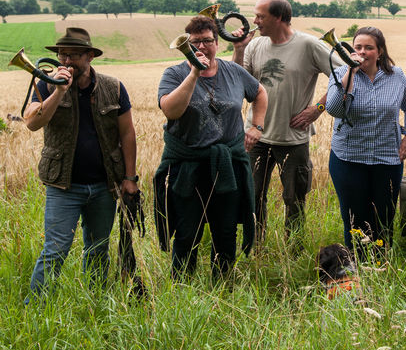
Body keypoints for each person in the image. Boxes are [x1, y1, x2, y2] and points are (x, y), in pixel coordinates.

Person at [25, 27, 138, 302]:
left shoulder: (113, 87)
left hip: (104, 186)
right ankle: (36, 307)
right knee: (55, 250)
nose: (66, 61)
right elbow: (32, 122)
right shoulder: (46, 83)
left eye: (73, 55)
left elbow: (127, 133)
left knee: (98, 248)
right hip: (63, 186)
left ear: (89, 56)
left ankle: (95, 303)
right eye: (63, 54)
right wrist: (58, 92)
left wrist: (130, 178)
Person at [155, 16, 268, 280]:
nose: (202, 47)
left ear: (217, 43)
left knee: (225, 231)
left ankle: (223, 287)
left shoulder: (234, 72)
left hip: (225, 165)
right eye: (195, 42)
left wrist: (256, 127)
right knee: (186, 232)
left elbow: (260, 93)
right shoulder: (174, 74)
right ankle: (182, 289)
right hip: (188, 166)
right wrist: (194, 72)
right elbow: (171, 110)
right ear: (187, 45)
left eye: (207, 41)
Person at [233, 0, 343, 244]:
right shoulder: (254, 45)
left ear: (280, 17)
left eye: (261, 16)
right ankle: (255, 247)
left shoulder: (309, 45)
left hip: (293, 139)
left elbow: (344, 74)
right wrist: (239, 49)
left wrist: (317, 108)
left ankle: (293, 250)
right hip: (256, 136)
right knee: (252, 197)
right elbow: (238, 84)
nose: (255, 21)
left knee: (295, 200)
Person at [326, 26, 406, 252]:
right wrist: (350, 72)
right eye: (357, 47)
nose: (362, 52)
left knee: (383, 218)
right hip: (348, 159)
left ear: (379, 52)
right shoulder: (340, 74)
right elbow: (334, 109)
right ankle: (354, 269)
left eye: (369, 48)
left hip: (387, 159)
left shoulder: (395, 76)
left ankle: (380, 266)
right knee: (353, 219)